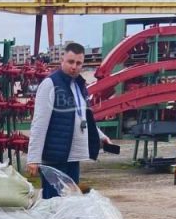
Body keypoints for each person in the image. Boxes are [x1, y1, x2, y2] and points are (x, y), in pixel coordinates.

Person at [26, 41, 112, 198]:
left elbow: (83, 116)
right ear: (62, 61)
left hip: (73, 156)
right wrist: (33, 158)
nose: (74, 66)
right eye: (71, 62)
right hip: (54, 157)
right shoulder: (50, 84)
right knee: (53, 203)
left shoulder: (79, 86)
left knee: (71, 202)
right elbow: (39, 123)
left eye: (79, 63)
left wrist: (101, 136)